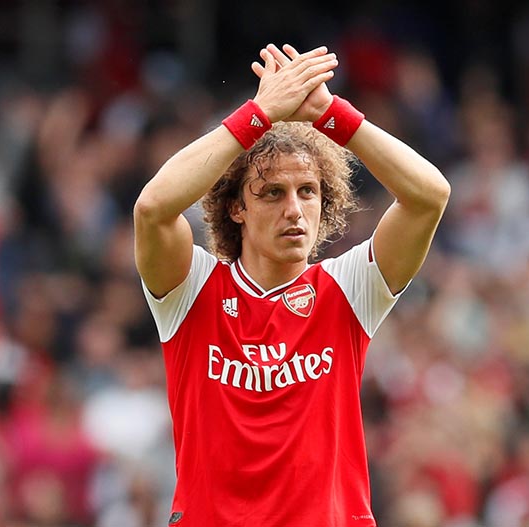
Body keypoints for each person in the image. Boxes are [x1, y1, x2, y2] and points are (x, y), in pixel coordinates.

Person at [134, 43, 451, 526]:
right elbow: (153, 209)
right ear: (236, 208)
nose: (294, 210)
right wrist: (258, 115)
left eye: (308, 191)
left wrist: (330, 114)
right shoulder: (191, 288)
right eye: (272, 193)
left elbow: (430, 195)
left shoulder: (349, 288)